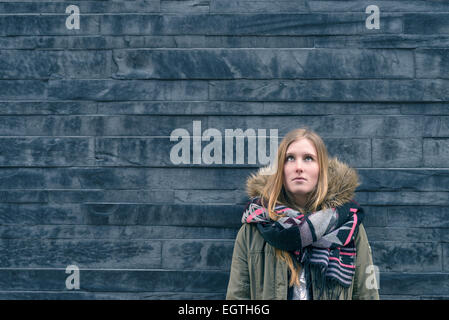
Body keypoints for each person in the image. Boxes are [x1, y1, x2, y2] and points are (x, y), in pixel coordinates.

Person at [226, 128, 379, 300]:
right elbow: (237, 299)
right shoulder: (253, 230)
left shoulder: (349, 227)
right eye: (290, 158)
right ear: (280, 170)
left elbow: (366, 295)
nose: (298, 167)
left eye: (308, 158)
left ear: (321, 169)